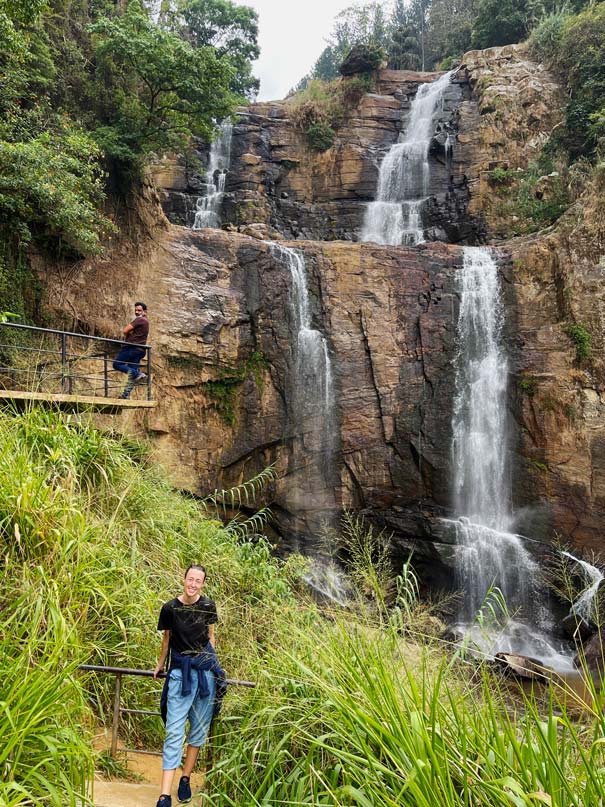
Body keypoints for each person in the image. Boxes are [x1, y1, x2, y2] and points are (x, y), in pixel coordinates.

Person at [153, 564, 225, 806]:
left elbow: (211, 637)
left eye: (198, 581)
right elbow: (167, 639)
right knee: (174, 731)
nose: (193, 584)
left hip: (205, 675)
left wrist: (215, 665)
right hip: (179, 675)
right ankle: (164, 794)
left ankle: (185, 778)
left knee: (198, 730)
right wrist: (161, 664)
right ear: (183, 579)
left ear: (203, 584)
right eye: (190, 579)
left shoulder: (207, 606)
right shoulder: (170, 608)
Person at [113, 301, 149, 399]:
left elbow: (125, 330)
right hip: (140, 350)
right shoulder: (146, 322)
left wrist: (129, 334)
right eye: (136, 310)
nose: (137, 312)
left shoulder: (140, 320)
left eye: (139, 310)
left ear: (145, 311)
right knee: (131, 375)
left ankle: (139, 374)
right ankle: (126, 395)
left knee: (116, 364)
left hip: (131, 348)